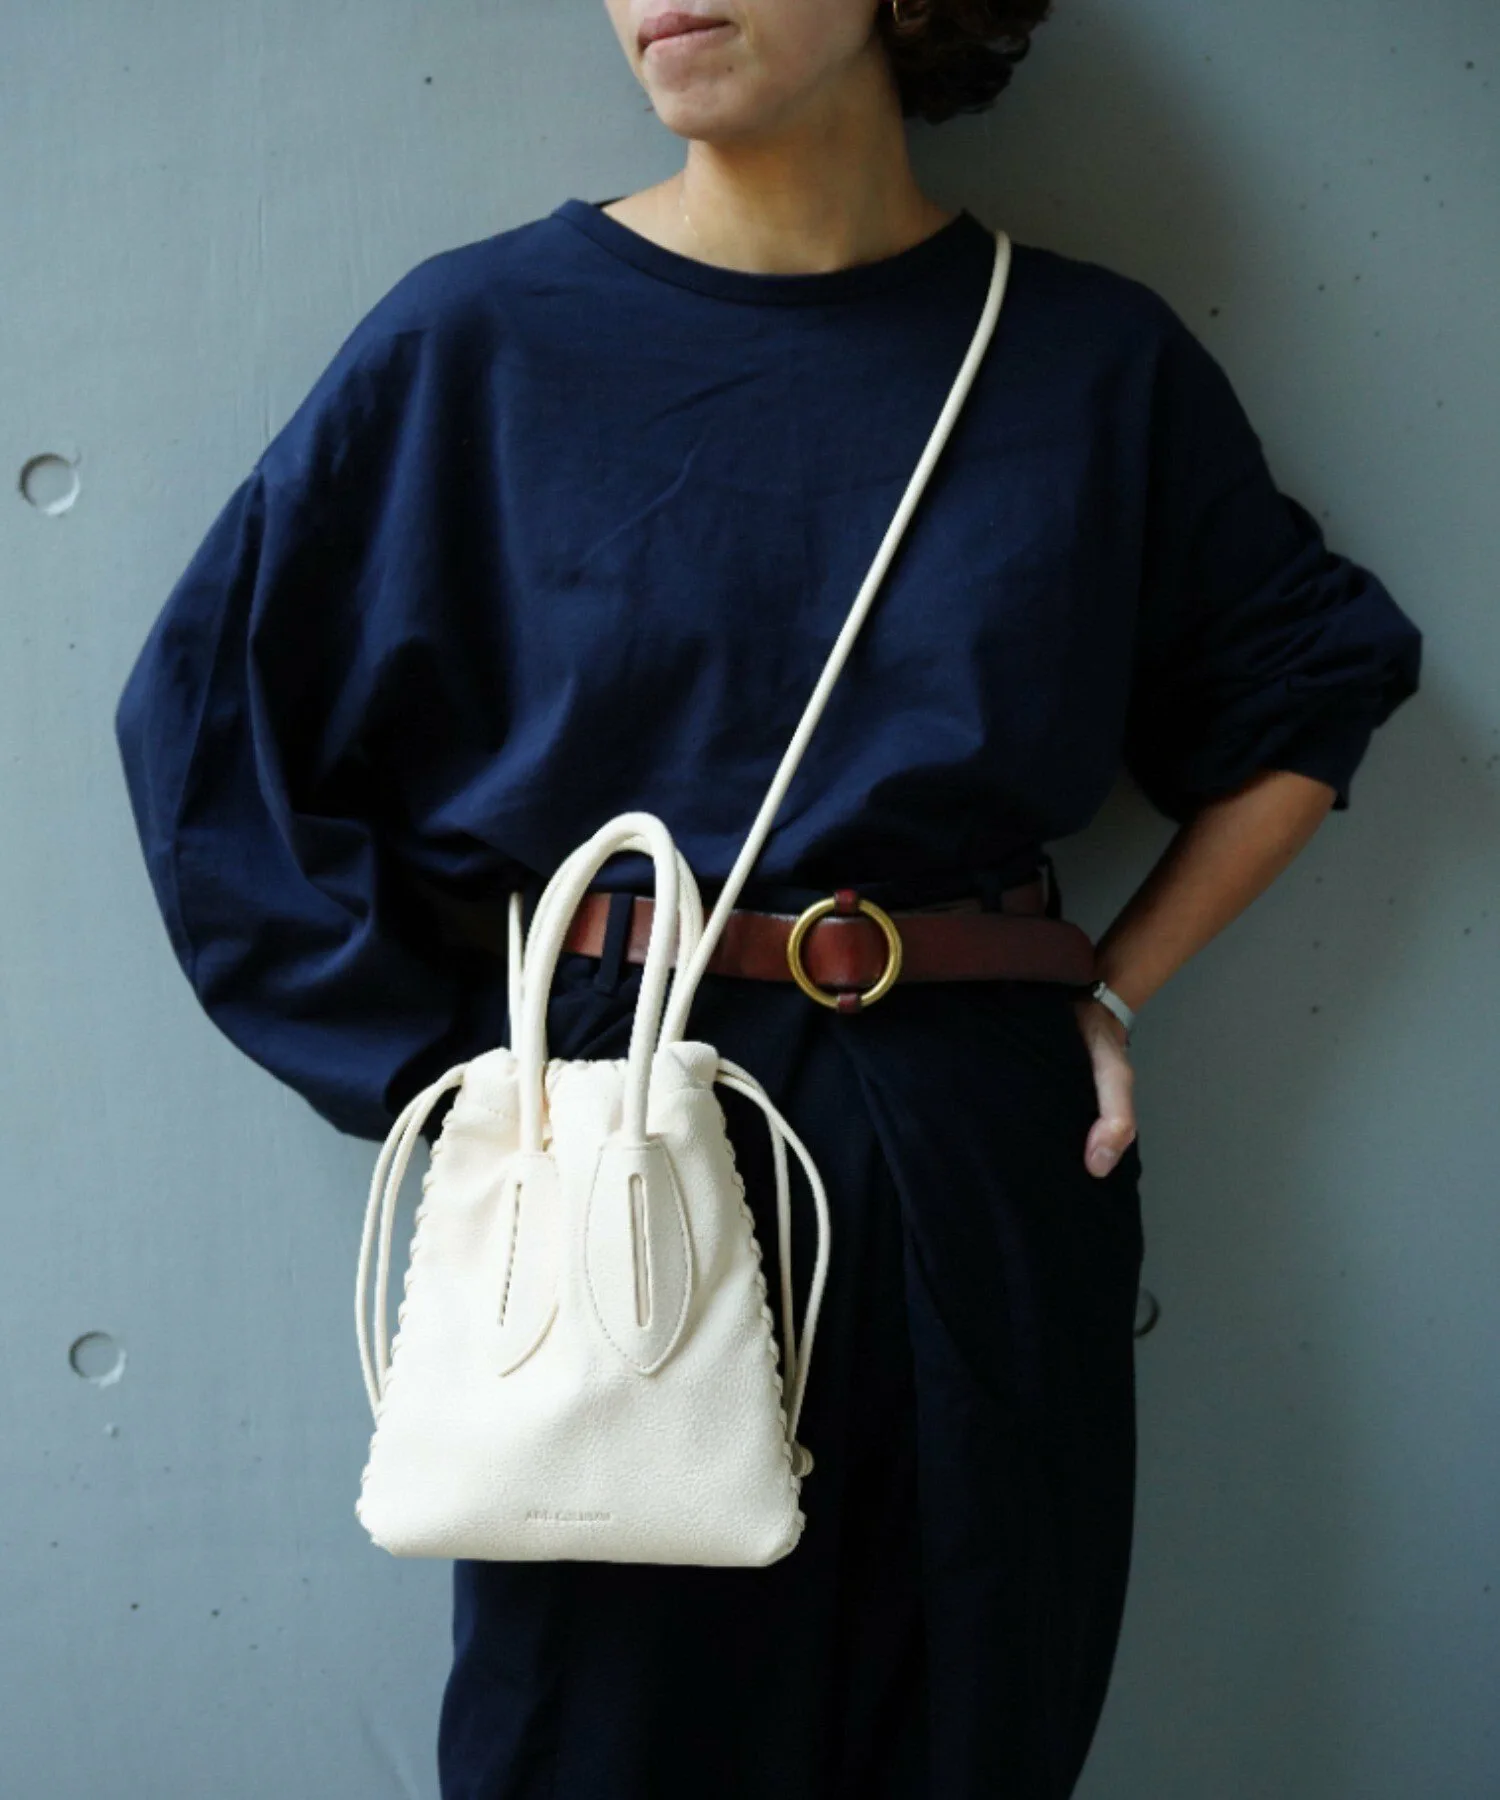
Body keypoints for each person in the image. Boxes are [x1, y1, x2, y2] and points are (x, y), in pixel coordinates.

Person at [112, 2, 1424, 1795]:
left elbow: (1311, 684)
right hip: (622, 1132)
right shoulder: (478, 342)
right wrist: (463, 1083)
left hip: (978, 1135)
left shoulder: (1084, 358)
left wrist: (1110, 986)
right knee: (596, 1739)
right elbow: (211, 728)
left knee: (973, 1722)